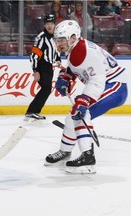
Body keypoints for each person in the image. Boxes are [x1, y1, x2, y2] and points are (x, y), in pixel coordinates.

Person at [44, 20, 128, 174]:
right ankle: (65, 152)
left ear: (73, 38)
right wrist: (66, 76)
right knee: (72, 117)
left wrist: (84, 100)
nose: (59, 43)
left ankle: (88, 158)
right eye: (57, 40)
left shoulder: (84, 51)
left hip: (115, 86)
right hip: (106, 84)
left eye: (61, 40)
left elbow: (98, 79)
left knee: (81, 113)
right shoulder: (75, 49)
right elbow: (75, 67)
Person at [24, 14, 61, 121]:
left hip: (49, 67)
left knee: (47, 89)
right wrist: (35, 70)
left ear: (55, 24)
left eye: (51, 23)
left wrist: (58, 60)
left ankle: (33, 111)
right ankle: (32, 111)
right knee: (46, 89)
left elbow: (56, 50)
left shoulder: (56, 37)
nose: (49, 26)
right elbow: (34, 55)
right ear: (44, 25)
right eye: (47, 24)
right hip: (42, 66)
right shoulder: (41, 37)